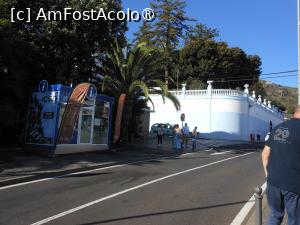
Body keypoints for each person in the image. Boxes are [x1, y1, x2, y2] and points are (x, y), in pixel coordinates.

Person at [261, 105, 300, 225]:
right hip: (293, 184)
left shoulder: (278, 128)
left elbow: (265, 153)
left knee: (275, 215)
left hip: (273, 182)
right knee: (294, 219)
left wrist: (268, 175)